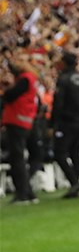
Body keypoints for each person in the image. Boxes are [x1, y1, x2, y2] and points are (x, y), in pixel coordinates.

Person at [51, 50, 79, 199]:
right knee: (75, 153)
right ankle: (78, 180)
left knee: (59, 153)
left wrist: (52, 123)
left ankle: (74, 181)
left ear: (64, 63)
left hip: (66, 122)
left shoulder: (63, 79)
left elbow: (58, 103)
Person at [1, 53, 39, 204]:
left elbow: (10, 95)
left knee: (17, 158)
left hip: (17, 119)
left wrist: (5, 89)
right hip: (25, 120)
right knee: (19, 157)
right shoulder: (31, 78)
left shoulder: (25, 79)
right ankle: (28, 192)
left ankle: (22, 193)